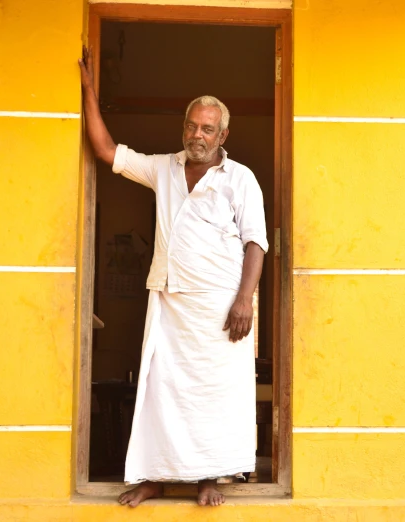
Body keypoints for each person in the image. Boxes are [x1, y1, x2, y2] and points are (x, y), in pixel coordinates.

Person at [79, 47, 268, 508]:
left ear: (224, 133)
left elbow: (256, 243)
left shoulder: (239, 179)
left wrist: (245, 300)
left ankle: (209, 478)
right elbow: (105, 150)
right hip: (168, 301)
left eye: (207, 128)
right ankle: (156, 478)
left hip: (223, 307)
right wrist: (88, 91)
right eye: (191, 125)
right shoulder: (164, 167)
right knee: (160, 390)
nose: (197, 135)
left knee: (215, 396)